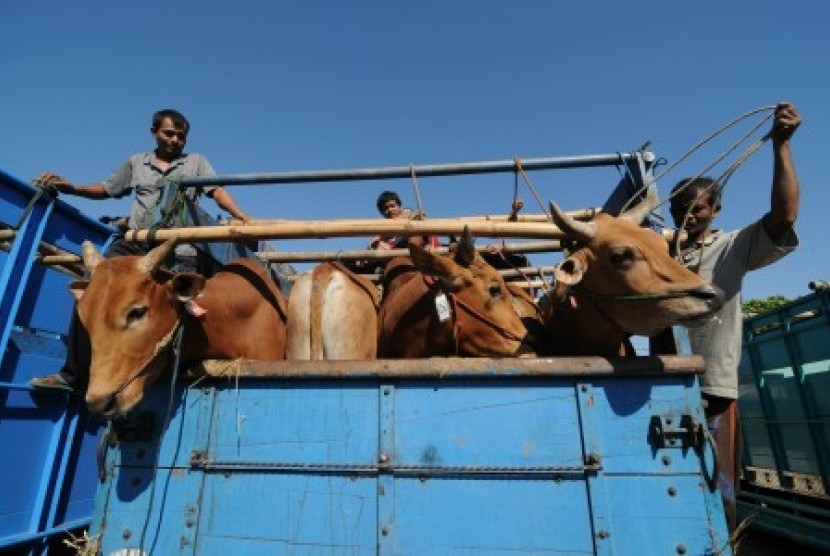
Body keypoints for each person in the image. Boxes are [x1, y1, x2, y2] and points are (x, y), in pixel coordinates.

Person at [29, 108, 252, 393]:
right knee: (94, 295)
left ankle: (166, 371)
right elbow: (108, 189)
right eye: (169, 133)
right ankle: (73, 375)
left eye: (181, 136)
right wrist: (72, 188)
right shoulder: (136, 163)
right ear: (154, 133)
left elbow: (216, 191)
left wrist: (241, 216)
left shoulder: (196, 163)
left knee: (178, 304)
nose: (175, 140)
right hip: (136, 241)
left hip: (178, 245)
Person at [668, 102, 801, 531]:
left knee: (718, 491)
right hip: (662, 385)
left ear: (716, 209)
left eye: (696, 209)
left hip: (713, 390)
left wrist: (780, 146)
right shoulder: (660, 254)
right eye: (677, 210)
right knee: (666, 489)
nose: (686, 217)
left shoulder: (732, 247)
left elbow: (784, 218)